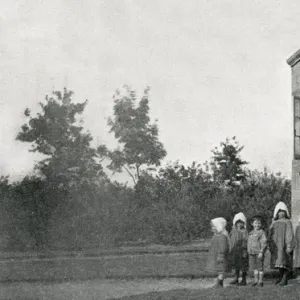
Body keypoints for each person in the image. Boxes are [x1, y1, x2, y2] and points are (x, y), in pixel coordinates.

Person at [269, 201, 294, 286]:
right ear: (276, 213)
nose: (281, 214)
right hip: (277, 246)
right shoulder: (274, 222)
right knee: (279, 262)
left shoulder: (287, 222)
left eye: (283, 212)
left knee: (285, 261)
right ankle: (280, 276)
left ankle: (285, 277)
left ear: (286, 212)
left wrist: (289, 245)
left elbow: (289, 234)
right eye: (279, 212)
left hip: (284, 245)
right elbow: (270, 233)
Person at [206, 217, 230, 288]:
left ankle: (219, 282)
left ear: (218, 227)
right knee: (220, 269)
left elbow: (224, 247)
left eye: (213, 226)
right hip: (217, 256)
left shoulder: (222, 236)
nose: (212, 228)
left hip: (221, 256)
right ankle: (220, 283)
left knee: (222, 269)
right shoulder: (216, 235)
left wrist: (221, 255)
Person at [247, 215, 267, 287]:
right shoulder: (251, 233)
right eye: (255, 223)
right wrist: (249, 251)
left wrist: (261, 251)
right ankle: (256, 280)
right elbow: (249, 243)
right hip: (252, 253)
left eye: (259, 223)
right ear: (252, 224)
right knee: (254, 267)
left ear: (261, 224)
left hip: (259, 253)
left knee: (260, 267)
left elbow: (263, 242)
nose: (257, 225)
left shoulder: (261, 232)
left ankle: (260, 281)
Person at [229, 212, 248, 285]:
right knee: (236, 265)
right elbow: (230, 239)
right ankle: (236, 278)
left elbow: (246, 240)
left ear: (244, 223)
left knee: (243, 265)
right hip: (235, 251)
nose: (239, 224)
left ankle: (244, 279)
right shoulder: (233, 231)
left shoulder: (245, 231)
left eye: (241, 223)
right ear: (235, 223)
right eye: (238, 223)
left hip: (243, 251)